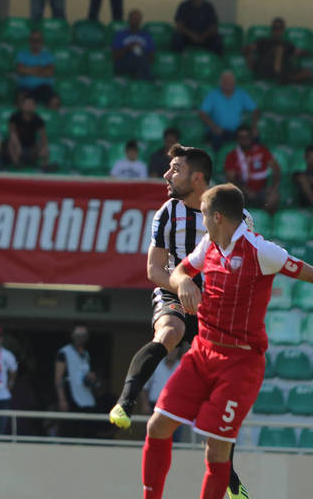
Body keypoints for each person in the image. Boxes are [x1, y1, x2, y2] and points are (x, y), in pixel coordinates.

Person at [142, 183, 313, 499]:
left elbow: (307, 272)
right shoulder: (209, 244)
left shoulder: (261, 251)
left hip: (240, 363)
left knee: (216, 452)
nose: (201, 221)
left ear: (217, 216)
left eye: (204, 215)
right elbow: (180, 272)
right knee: (157, 426)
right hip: (202, 352)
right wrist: (184, 286)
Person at [108, 145, 250, 497]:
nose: (166, 175)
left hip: (216, 306)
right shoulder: (168, 212)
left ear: (197, 177)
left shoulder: (235, 217)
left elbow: (246, 270)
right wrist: (182, 282)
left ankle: (232, 483)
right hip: (174, 289)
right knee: (169, 330)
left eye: (174, 169)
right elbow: (154, 269)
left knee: (212, 399)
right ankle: (125, 402)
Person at [224, 124, 281, 212]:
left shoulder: (261, 151)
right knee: (229, 198)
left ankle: (263, 220)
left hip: (262, 191)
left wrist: (273, 187)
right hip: (242, 192)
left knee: (274, 196)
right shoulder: (232, 156)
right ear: (237, 139)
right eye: (241, 137)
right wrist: (245, 189)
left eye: (247, 136)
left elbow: (276, 169)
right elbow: (230, 178)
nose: (245, 139)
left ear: (251, 137)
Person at [198, 71, 259, 152]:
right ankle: (217, 162)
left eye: (230, 81)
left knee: (254, 136)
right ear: (221, 83)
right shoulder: (213, 94)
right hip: (218, 130)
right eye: (225, 81)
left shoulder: (241, 94)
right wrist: (213, 127)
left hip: (237, 131)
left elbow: (255, 110)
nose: (228, 83)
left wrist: (254, 126)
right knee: (216, 139)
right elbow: (202, 113)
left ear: (234, 82)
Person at [55, 325, 98, 438]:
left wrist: (92, 377)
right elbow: (58, 377)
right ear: (72, 336)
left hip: (86, 397)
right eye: (77, 335)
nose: (80, 338)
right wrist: (62, 399)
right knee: (70, 429)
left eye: (83, 335)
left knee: (86, 429)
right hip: (71, 396)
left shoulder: (87, 354)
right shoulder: (64, 352)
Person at [246, 17, 312, 84]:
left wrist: (296, 55)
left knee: (308, 73)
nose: (277, 31)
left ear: (283, 30)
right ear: (271, 29)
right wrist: (249, 57)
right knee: (279, 49)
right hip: (267, 69)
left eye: (280, 28)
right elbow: (247, 49)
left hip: (283, 71)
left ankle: (284, 78)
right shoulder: (263, 42)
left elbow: (303, 52)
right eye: (275, 28)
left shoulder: (287, 44)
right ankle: (282, 77)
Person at [15, 30, 59, 109]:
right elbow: (20, 71)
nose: (36, 43)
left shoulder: (48, 55)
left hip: (44, 88)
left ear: (42, 41)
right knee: (21, 99)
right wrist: (41, 69)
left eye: (38, 40)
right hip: (26, 87)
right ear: (30, 41)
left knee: (54, 101)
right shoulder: (22, 54)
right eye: (33, 40)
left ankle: (52, 120)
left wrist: (28, 69)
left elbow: (50, 72)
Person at [112, 9, 154, 81]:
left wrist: (142, 49)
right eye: (133, 19)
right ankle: (150, 81)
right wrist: (127, 48)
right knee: (141, 63)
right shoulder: (120, 35)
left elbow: (152, 59)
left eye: (138, 19)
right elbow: (114, 57)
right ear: (128, 20)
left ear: (141, 21)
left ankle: (140, 83)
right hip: (124, 63)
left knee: (141, 63)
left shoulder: (146, 36)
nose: (135, 21)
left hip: (141, 62)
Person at [7, 96, 48, 169]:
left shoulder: (38, 119)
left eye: (31, 104)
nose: (29, 106)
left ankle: (44, 167)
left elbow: (43, 136)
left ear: (34, 107)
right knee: (11, 142)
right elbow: (12, 133)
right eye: (27, 104)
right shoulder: (15, 117)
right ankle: (16, 164)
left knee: (44, 147)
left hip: (31, 147)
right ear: (21, 105)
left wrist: (43, 147)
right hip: (17, 146)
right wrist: (17, 144)